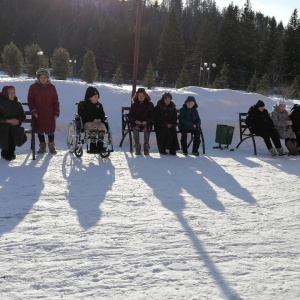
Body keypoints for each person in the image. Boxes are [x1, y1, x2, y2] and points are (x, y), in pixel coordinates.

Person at [28, 68, 60, 154]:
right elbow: (30, 100)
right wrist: (34, 111)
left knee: (50, 130)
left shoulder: (52, 87)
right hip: (39, 113)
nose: (43, 79)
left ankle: (51, 146)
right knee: (40, 130)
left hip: (50, 113)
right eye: (41, 77)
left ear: (48, 78)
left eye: (45, 77)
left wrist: (56, 112)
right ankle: (42, 146)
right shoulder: (33, 87)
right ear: (38, 77)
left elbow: (55, 101)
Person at [0, 86, 27, 160]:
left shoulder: (17, 103)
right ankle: (5, 153)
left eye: (13, 92)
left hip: (15, 125)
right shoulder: (1, 102)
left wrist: (18, 120)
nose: (13, 94)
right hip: (2, 125)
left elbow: (22, 115)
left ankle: (11, 152)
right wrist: (7, 120)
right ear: (5, 93)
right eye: (10, 93)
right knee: (6, 131)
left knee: (14, 130)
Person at [77, 86, 106, 153]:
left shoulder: (99, 105)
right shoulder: (83, 104)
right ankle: (92, 146)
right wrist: (92, 119)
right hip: (87, 123)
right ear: (89, 97)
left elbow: (103, 114)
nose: (97, 98)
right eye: (95, 96)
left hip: (98, 123)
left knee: (102, 126)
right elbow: (82, 115)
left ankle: (100, 146)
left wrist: (101, 119)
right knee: (94, 126)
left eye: (97, 96)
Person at [128, 88, 154, 155]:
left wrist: (147, 121)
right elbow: (130, 116)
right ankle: (137, 147)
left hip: (146, 123)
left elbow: (152, 116)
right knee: (135, 128)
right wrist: (135, 120)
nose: (141, 97)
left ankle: (146, 147)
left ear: (145, 96)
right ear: (137, 96)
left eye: (142, 96)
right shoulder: (134, 105)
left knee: (147, 129)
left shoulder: (150, 104)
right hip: (136, 123)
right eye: (139, 96)